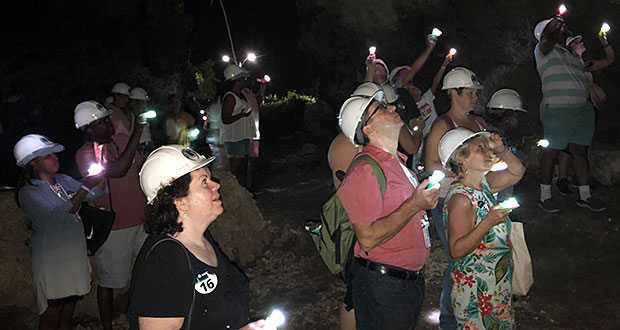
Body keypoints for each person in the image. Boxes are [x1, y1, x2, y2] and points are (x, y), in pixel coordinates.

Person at [128, 145, 266, 330]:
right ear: (180, 201)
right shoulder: (164, 260)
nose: (216, 184)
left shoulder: (201, 239)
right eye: (204, 182)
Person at [337, 92, 439, 329]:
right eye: (382, 108)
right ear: (369, 129)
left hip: (404, 281)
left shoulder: (397, 163)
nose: (393, 108)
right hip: (384, 285)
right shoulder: (365, 170)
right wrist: (415, 204)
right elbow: (368, 238)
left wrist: (422, 204)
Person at [14, 134, 105, 330]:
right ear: (33, 163)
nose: (55, 158)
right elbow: (60, 215)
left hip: (73, 253)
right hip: (52, 259)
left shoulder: (62, 180)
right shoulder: (28, 192)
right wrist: (83, 188)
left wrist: (101, 172)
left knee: (68, 309)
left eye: (54, 154)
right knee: (51, 313)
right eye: (48, 156)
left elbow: (97, 193)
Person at [439, 128, 525, 329]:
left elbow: (517, 171)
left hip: (494, 287)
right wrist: (488, 221)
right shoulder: (461, 199)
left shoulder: (483, 186)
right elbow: (456, 250)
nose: (489, 153)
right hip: (476, 291)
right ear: (462, 159)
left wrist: (502, 149)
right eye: (481, 149)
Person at [74, 100, 148, 330]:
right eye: (103, 121)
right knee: (109, 282)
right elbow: (118, 170)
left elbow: (141, 167)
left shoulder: (122, 142)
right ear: (90, 128)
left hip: (141, 219)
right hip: (113, 227)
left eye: (108, 118)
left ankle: (147, 318)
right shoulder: (85, 154)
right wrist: (137, 131)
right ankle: (108, 327)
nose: (110, 123)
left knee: (148, 271)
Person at [424, 66, 486, 330]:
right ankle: (449, 320)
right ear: (453, 92)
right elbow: (430, 165)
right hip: (449, 200)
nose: (474, 96)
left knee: (478, 254)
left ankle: (478, 306)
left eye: (475, 91)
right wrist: (461, 171)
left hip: (479, 198)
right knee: (457, 257)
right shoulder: (442, 125)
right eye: (470, 91)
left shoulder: (479, 123)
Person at [534, 17, 606, 212]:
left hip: (582, 110)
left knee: (580, 152)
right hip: (557, 110)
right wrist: (554, 27)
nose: (563, 28)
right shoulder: (543, 51)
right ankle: (545, 196)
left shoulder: (573, 55)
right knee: (552, 151)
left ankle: (585, 196)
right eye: (557, 28)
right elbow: (547, 42)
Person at [556, 33, 615, 195]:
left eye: (581, 41)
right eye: (576, 42)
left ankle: (578, 176)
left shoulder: (585, 64)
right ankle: (562, 179)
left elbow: (609, 60)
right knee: (567, 145)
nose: (581, 43)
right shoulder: (566, 64)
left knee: (582, 145)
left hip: (589, 108)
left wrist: (604, 42)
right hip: (572, 107)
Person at [485, 88, 528, 202]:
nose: (518, 119)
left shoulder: (497, 133)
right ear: (508, 118)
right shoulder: (494, 138)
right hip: (498, 190)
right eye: (516, 115)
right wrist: (523, 152)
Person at [220, 64, 256, 187]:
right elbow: (225, 119)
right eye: (244, 78)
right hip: (235, 138)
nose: (246, 81)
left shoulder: (239, 95)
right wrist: (242, 115)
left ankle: (241, 195)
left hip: (242, 137)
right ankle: (232, 196)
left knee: (242, 168)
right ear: (237, 80)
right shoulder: (230, 97)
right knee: (234, 172)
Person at [128, 87, 155, 159]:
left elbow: (147, 132)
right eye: (143, 102)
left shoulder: (143, 115)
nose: (144, 105)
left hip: (145, 145)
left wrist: (151, 144)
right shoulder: (130, 116)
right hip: (137, 146)